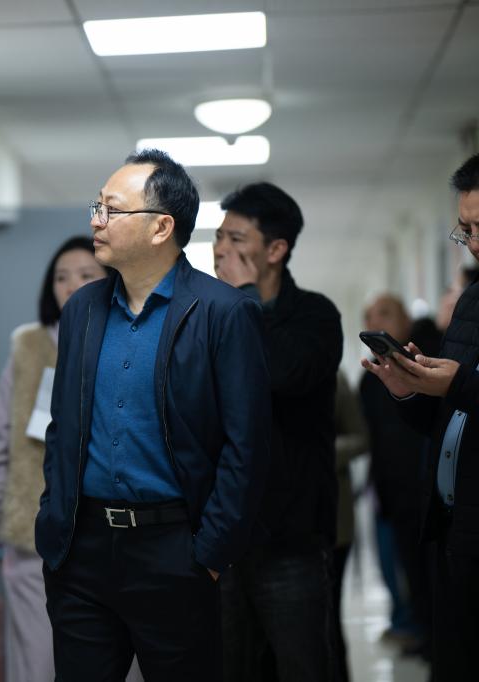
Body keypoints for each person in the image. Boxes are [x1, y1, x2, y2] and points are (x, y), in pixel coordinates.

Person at [36, 149, 271, 682]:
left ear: (162, 227)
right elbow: (62, 428)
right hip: (81, 551)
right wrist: (52, 521)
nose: (96, 221)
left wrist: (209, 555)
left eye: (112, 210)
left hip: (175, 551)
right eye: (97, 207)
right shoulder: (82, 310)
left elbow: (247, 447)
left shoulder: (224, 312)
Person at [0, 235, 117, 682]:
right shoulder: (28, 346)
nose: (71, 286)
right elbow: (1, 443)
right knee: (36, 662)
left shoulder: (126, 341)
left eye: (86, 275)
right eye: (61, 277)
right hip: (33, 536)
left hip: (108, 539)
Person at [213, 182, 344, 682]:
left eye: (236, 239)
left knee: (301, 667)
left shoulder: (315, 315)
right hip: (223, 537)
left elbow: (283, 373)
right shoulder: (208, 315)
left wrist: (246, 299)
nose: (221, 249)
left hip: (292, 537)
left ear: (276, 250)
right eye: (219, 236)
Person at [361, 153, 479, 681]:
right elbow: (449, 418)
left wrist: (458, 383)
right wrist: (408, 391)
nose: (474, 243)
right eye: (466, 230)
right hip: (455, 527)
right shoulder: (471, 304)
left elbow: (464, 387)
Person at [359, 295, 432, 659]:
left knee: (434, 571)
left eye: (385, 314)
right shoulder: (369, 381)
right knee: (408, 571)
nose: (377, 323)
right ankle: (424, 634)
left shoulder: (426, 364)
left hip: (429, 488)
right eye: (371, 318)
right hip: (393, 491)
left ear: (405, 319)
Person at [332, 369, 369, 682]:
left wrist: (321, 450)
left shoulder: (335, 378)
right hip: (278, 526)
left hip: (334, 519)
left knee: (329, 617)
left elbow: (360, 438)